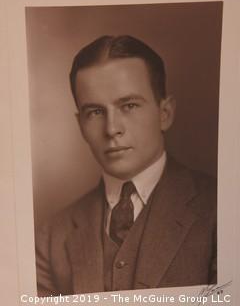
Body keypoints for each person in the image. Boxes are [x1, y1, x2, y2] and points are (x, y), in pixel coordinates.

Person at [36, 35, 217, 296]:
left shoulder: (219, 210)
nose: (112, 129)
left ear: (164, 113)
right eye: (95, 112)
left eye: (129, 105)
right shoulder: (51, 237)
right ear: (80, 126)